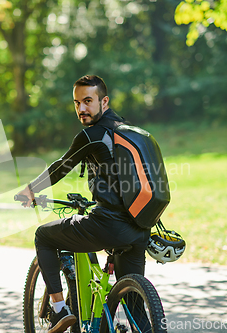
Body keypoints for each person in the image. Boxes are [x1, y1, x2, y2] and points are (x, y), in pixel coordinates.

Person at [16, 75, 150, 333]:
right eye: (77, 103)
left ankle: (59, 310)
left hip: (108, 225)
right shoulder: (128, 130)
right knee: (137, 311)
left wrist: (30, 190)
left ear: (104, 101)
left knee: (43, 236)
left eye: (88, 101)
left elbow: (61, 166)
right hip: (139, 228)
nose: (81, 109)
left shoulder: (93, 135)